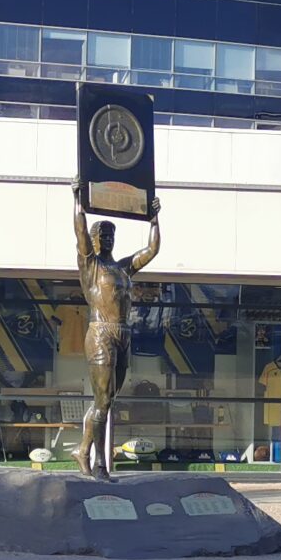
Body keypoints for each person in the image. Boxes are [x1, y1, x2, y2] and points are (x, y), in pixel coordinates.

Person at [71, 180, 162, 480]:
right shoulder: (91, 265)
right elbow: (79, 232)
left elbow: (152, 250)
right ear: (94, 240)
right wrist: (78, 201)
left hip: (123, 333)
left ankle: (82, 450)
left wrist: (154, 219)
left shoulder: (123, 268)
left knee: (107, 400)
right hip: (101, 333)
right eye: (102, 235)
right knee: (103, 401)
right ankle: (100, 464)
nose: (107, 239)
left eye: (111, 235)